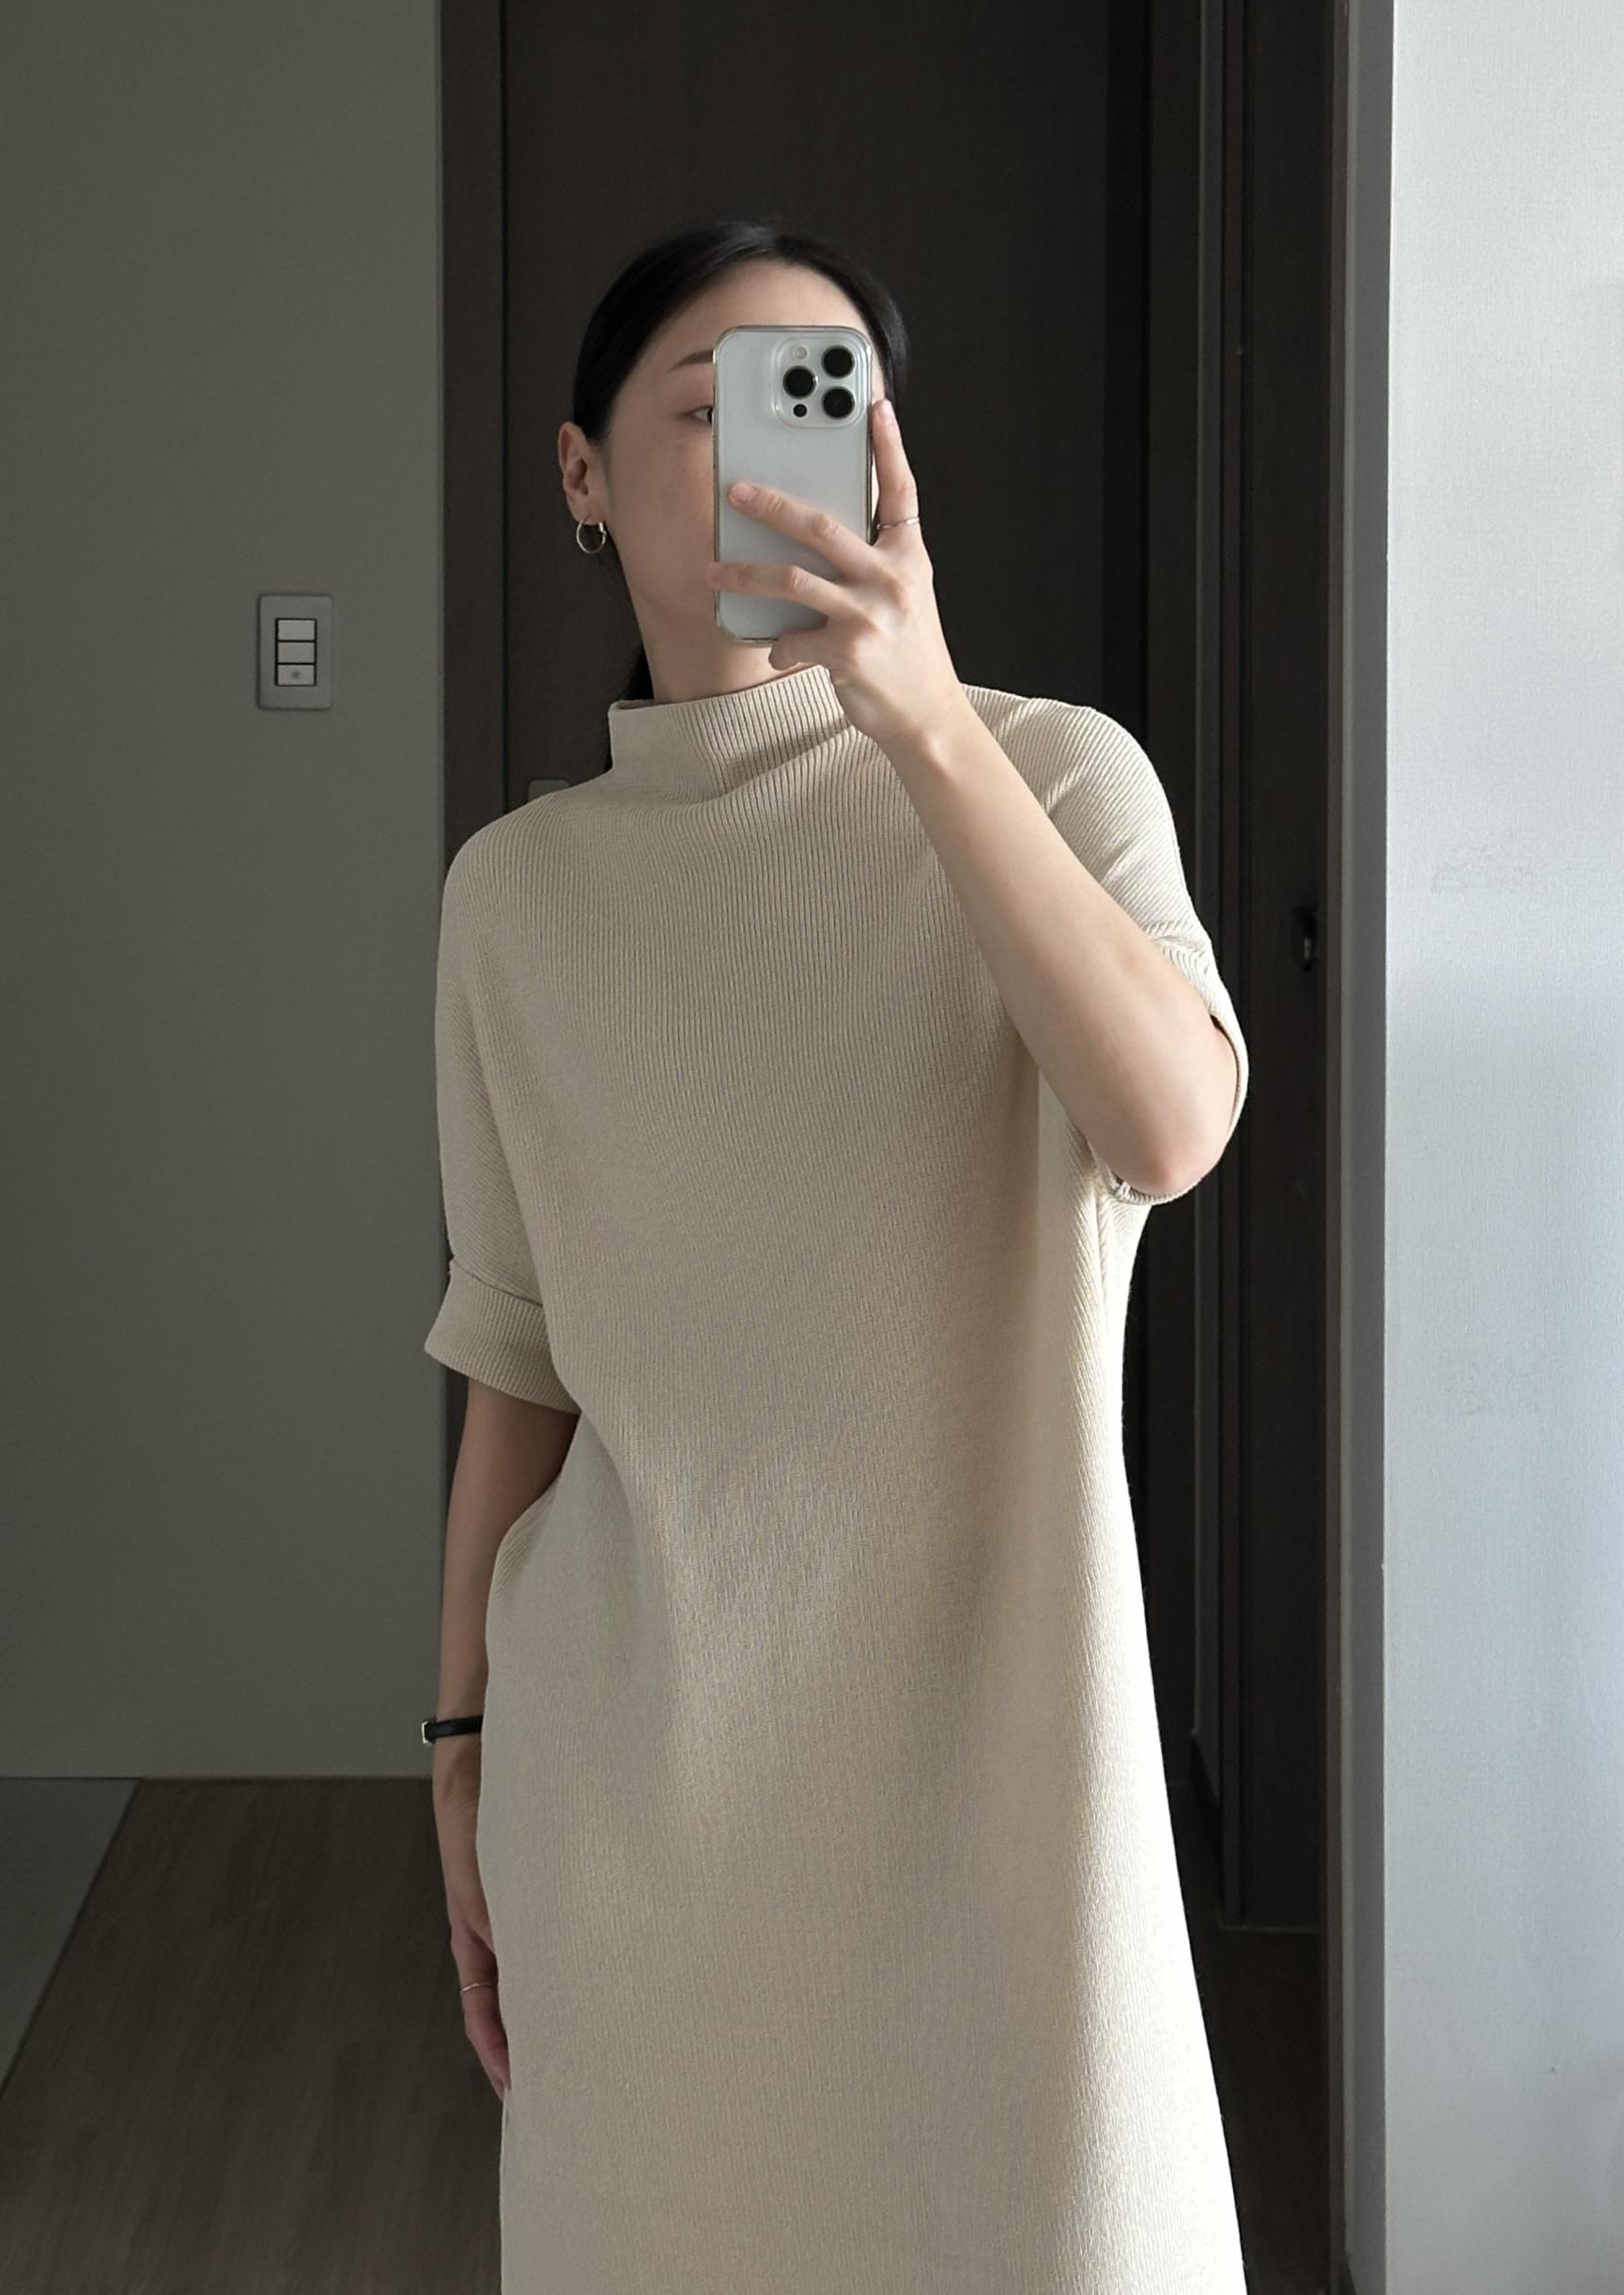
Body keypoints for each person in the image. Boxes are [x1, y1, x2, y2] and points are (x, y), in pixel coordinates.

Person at [423, 217, 1251, 2294]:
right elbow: (516, 1355)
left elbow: (1170, 1126)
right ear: (582, 473)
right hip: (631, 1803)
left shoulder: (1053, 770)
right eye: (704, 407)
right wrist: (457, 1750)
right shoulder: (515, 896)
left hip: (1010, 1810)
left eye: (821, 402)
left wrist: (922, 724)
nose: (766, 455)